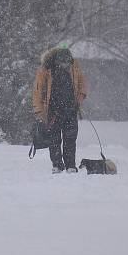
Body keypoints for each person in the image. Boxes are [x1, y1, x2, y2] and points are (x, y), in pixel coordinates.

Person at [32, 44, 88, 174]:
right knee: (54, 139)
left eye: (67, 64)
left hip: (70, 109)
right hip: (53, 110)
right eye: (63, 63)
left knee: (70, 138)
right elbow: (37, 90)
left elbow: (82, 84)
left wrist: (80, 97)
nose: (65, 66)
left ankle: (70, 165)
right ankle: (57, 164)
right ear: (57, 60)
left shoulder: (75, 66)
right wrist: (39, 110)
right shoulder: (46, 69)